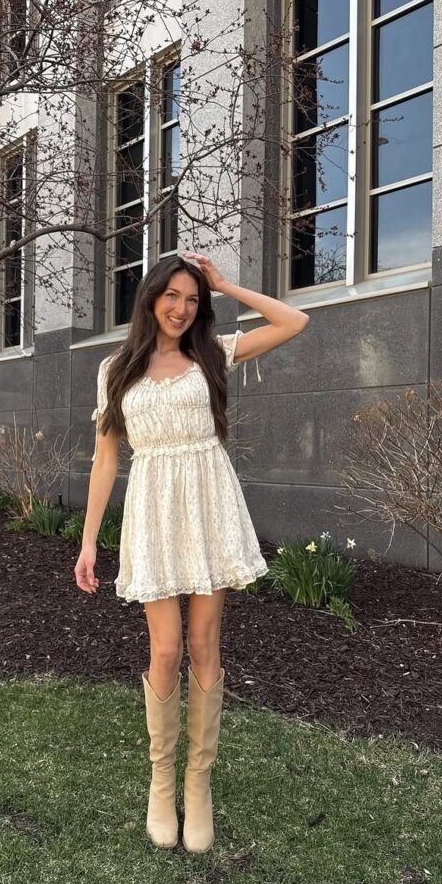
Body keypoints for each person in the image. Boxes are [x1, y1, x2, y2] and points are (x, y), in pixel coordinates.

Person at [74, 251, 309, 853]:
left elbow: (293, 321)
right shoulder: (114, 369)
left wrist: (226, 284)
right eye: (172, 296)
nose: (181, 309)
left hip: (208, 505)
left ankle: (197, 785)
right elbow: (105, 460)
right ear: (151, 297)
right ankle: (162, 782)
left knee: (204, 645)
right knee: (166, 648)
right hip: (153, 509)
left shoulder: (212, 353)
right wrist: (89, 541)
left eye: (192, 299)